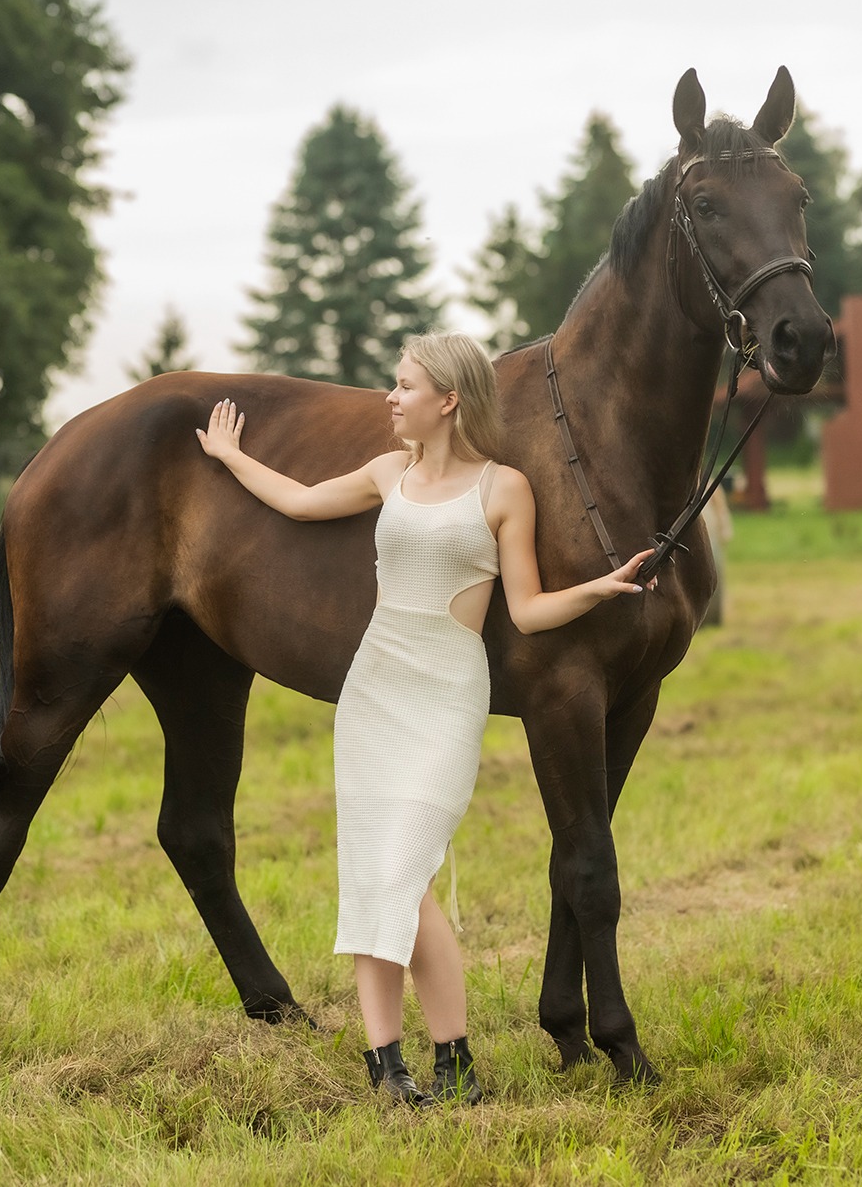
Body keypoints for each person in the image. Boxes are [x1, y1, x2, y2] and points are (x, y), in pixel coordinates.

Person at [196, 332, 655, 1107]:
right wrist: (231, 459)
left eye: (404, 385)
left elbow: (528, 609)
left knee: (405, 876)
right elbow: (303, 502)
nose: (389, 397)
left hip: (446, 691)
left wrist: (600, 588)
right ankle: (387, 1065)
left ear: (447, 399)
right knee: (372, 880)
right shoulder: (387, 473)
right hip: (373, 689)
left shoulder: (503, 488)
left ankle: (455, 1059)